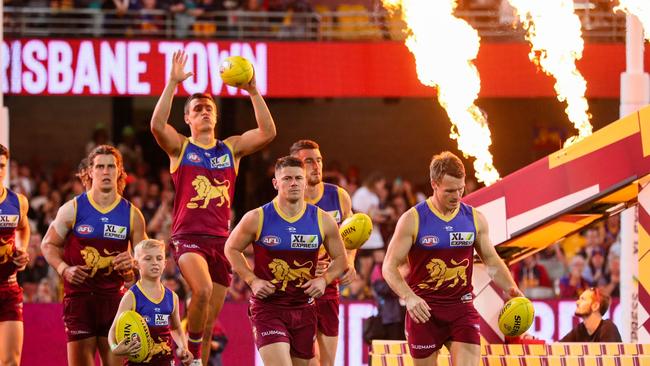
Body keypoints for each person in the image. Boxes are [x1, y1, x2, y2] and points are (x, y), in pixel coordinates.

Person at [150, 50, 276, 365]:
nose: (204, 111)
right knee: (202, 291)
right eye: (197, 108)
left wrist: (252, 90)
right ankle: (189, 355)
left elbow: (268, 133)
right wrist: (171, 84)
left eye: (209, 107)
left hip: (222, 241)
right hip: (189, 236)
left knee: (208, 326)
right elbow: (156, 125)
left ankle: (198, 358)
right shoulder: (181, 147)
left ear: (216, 117)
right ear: (188, 119)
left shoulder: (230, 149)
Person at [382, 151, 524, 366]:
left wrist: (512, 289)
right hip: (424, 311)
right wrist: (409, 297)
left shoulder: (474, 218)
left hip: (462, 309)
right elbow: (389, 267)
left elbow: (492, 261)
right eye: (450, 191)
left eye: (460, 189)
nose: (457, 196)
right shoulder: (413, 219)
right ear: (434, 184)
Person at [224, 156, 348, 366]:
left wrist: (324, 280)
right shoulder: (257, 217)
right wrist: (252, 280)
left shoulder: (322, 219)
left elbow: (341, 260)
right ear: (276, 183)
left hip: (305, 308)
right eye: (287, 178)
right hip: (268, 308)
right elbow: (231, 248)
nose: (294, 183)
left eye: (299, 178)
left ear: (305, 182)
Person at [41, 145, 147, 366]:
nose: (106, 172)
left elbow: (145, 261)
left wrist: (134, 262)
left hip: (115, 302)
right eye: (100, 166)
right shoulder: (72, 209)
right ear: (90, 171)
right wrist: (64, 269)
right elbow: (48, 245)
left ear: (119, 171)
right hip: (79, 301)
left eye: (111, 166)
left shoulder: (132, 214)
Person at [289, 139, 356, 366]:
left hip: (328, 287)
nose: (316, 166)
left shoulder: (339, 196)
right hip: (295, 289)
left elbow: (352, 234)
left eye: (318, 160)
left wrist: (350, 262)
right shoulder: (285, 202)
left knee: (327, 362)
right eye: (309, 161)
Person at [108, 239, 193, 365]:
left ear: (164, 263)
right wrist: (115, 348)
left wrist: (183, 347)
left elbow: (175, 327)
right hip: (138, 362)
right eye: (148, 258)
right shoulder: (131, 296)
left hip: (165, 361)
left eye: (159, 258)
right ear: (136, 264)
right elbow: (113, 331)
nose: (155, 263)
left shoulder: (172, 297)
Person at [0, 144, 30, 366]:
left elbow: (23, 228)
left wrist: (22, 250)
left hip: (9, 287)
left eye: (1, 166)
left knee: (11, 362)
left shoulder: (17, 201)